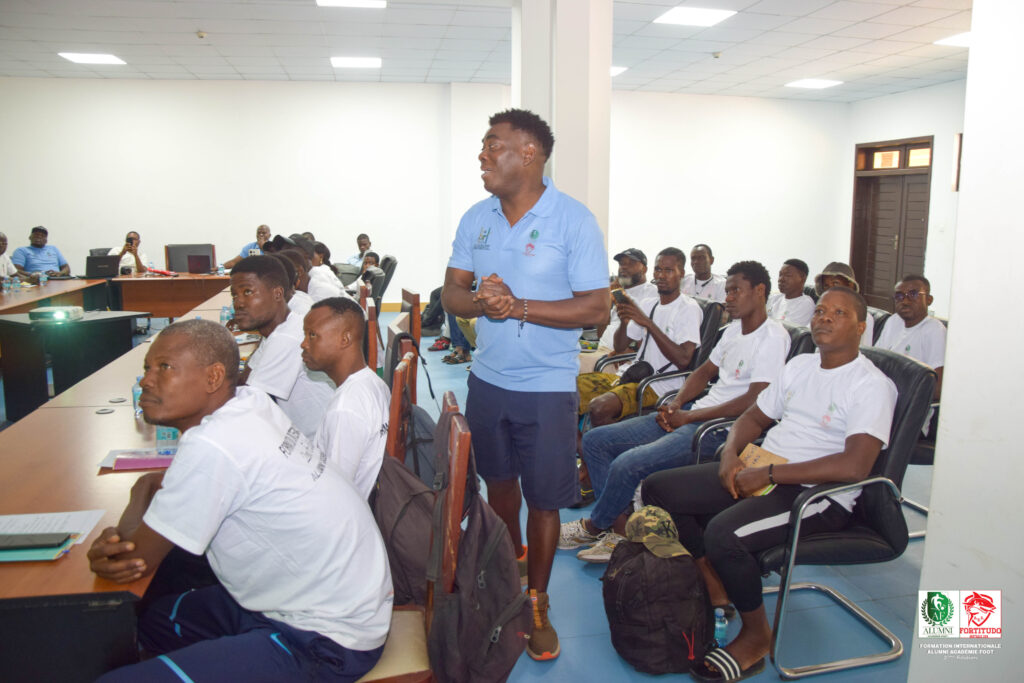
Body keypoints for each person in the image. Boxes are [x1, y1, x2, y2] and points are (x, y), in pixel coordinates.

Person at [87, 319, 392, 682]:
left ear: (214, 378)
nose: (146, 381)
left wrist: (140, 491)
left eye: (164, 368)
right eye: (147, 368)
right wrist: (149, 488)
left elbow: (132, 561)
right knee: (151, 621)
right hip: (330, 600)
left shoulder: (213, 444)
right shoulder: (250, 402)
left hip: (324, 641)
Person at [641, 287, 897, 681]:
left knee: (725, 534)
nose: (825, 317)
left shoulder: (870, 384)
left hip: (816, 495)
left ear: (861, 327)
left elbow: (855, 466)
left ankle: (758, 634)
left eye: (839, 313)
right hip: (763, 468)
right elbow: (753, 419)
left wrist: (770, 475)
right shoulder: (800, 366)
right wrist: (730, 455)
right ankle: (715, 579)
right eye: (822, 310)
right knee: (659, 489)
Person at [441, 108, 608, 661]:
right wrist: (481, 302)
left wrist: (520, 307)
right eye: (483, 146)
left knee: (544, 502)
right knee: (499, 487)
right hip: (487, 381)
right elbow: (452, 294)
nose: (483, 155)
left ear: (530, 154)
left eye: (494, 145)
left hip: (546, 387)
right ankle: (509, 573)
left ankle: (537, 600)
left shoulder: (573, 221)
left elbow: (595, 306)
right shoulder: (476, 218)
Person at [561, 261, 791, 563]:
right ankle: (619, 531)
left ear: (760, 292)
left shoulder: (772, 337)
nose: (728, 298)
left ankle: (596, 525)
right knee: (596, 441)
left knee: (628, 464)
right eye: (729, 290)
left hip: (718, 430)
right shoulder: (733, 331)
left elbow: (755, 400)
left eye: (736, 291)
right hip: (694, 415)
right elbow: (702, 372)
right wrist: (677, 403)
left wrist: (690, 416)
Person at [578, 248, 702, 428]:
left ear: (681, 274)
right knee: (566, 390)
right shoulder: (648, 304)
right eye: (658, 270)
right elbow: (620, 346)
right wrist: (624, 320)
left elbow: (683, 360)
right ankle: (580, 449)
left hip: (659, 385)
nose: (661, 275)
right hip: (631, 375)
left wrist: (649, 324)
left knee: (599, 407)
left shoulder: (688, 309)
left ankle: (596, 450)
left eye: (668, 270)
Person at [231, 255, 334, 438]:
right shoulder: (278, 330)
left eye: (247, 292)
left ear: (277, 294)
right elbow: (244, 382)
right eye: (234, 295)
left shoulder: (288, 337)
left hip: (318, 448)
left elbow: (246, 408)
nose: (238, 303)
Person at [301, 297, 390, 499]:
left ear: (345, 339)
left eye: (312, 335)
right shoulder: (373, 382)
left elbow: (335, 495)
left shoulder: (345, 409)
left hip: (348, 515)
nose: (303, 343)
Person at [579, 248, 656, 374]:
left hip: (618, 358)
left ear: (644, 269)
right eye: (621, 264)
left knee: (566, 365)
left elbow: (648, 333)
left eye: (631, 263)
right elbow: (599, 333)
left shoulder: (652, 293)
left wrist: (631, 350)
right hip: (599, 349)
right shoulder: (617, 291)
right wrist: (608, 302)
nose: (624, 267)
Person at [874, 274, 946, 400]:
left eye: (914, 294)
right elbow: (875, 363)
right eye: (899, 296)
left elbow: (937, 389)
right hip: (881, 395)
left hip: (906, 405)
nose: (905, 301)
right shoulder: (893, 321)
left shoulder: (935, 330)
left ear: (929, 300)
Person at [814, 261, 873, 345]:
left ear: (850, 285)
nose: (830, 289)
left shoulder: (863, 317)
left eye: (836, 283)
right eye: (826, 286)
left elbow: (864, 349)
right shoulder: (819, 313)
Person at [766, 258, 814, 326]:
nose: (781, 279)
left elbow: (787, 332)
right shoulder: (774, 298)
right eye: (780, 275)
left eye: (787, 275)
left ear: (802, 278)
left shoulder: (805, 304)